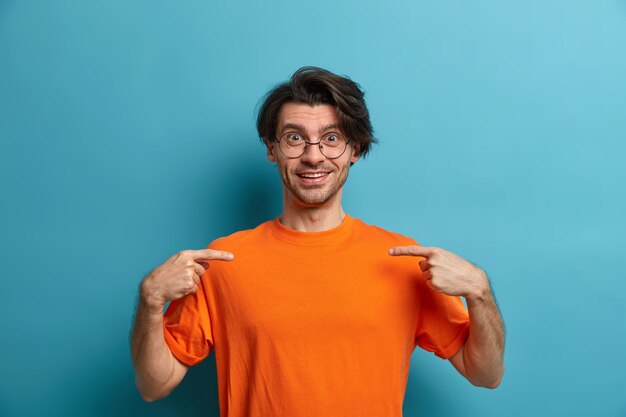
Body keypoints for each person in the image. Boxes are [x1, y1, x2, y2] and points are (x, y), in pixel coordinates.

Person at [130, 66, 505, 416]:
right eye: (295, 138)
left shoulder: (403, 260)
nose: (313, 156)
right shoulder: (224, 260)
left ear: (354, 150)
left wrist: (480, 292)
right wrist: (149, 300)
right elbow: (153, 385)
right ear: (271, 149)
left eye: (331, 138)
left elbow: (485, 373)